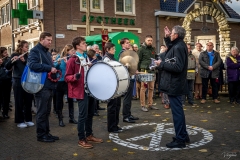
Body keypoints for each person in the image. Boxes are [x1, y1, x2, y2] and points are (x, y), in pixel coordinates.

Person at [65, 36, 103, 149]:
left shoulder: (85, 57)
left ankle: (89, 135)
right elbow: (67, 77)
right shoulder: (73, 60)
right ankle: (81, 139)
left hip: (89, 89)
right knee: (82, 115)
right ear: (77, 46)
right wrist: (74, 77)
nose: (85, 45)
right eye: (83, 43)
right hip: (81, 91)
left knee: (90, 114)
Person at [155, 25, 190, 148]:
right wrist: (166, 37)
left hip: (174, 84)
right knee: (178, 111)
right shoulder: (178, 45)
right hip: (175, 84)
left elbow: (178, 67)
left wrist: (162, 64)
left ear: (176, 35)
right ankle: (183, 135)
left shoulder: (179, 47)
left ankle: (180, 140)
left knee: (177, 113)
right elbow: (171, 48)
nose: (170, 35)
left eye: (172, 34)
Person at [28, 32, 59, 142]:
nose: (50, 42)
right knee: (41, 112)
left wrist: (54, 66)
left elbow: (48, 66)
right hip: (41, 86)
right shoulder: (35, 50)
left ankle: (46, 133)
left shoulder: (46, 52)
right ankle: (41, 135)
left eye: (51, 40)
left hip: (48, 85)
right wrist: (49, 68)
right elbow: (32, 65)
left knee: (46, 111)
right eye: (48, 40)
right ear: (41, 39)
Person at [5, 40, 34, 128]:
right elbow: (7, 66)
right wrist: (12, 61)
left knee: (28, 100)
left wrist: (24, 61)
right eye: (26, 47)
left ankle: (28, 119)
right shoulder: (14, 55)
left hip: (27, 80)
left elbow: (31, 67)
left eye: (28, 47)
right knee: (19, 101)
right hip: (18, 80)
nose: (27, 48)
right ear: (21, 47)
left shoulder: (28, 56)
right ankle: (20, 120)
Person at [54, 44, 77, 127]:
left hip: (69, 81)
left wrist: (68, 63)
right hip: (60, 81)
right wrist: (58, 63)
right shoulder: (59, 57)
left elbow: (73, 69)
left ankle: (72, 118)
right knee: (59, 101)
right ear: (67, 51)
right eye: (72, 51)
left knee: (70, 100)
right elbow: (54, 68)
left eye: (73, 51)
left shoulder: (72, 58)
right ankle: (60, 119)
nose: (73, 52)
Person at [103, 42, 123, 133]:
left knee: (117, 105)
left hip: (116, 85)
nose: (114, 50)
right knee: (112, 107)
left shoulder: (112, 58)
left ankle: (115, 124)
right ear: (107, 50)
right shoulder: (106, 59)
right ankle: (111, 127)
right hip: (110, 86)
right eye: (113, 49)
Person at [119, 38, 139, 123]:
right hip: (127, 78)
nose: (129, 44)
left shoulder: (128, 53)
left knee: (129, 97)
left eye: (129, 43)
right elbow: (122, 66)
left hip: (131, 77)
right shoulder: (122, 54)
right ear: (123, 45)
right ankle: (125, 116)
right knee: (127, 98)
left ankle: (129, 114)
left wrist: (134, 70)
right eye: (127, 43)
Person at [137, 35, 158, 112]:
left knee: (151, 88)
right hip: (144, 71)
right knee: (143, 88)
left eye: (151, 40)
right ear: (145, 40)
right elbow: (138, 61)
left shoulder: (153, 49)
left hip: (152, 71)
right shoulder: (141, 49)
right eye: (148, 40)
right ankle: (143, 105)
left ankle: (150, 104)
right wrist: (138, 70)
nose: (150, 42)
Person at [87, 49, 102, 116]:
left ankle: (96, 108)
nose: (96, 55)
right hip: (92, 79)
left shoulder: (95, 60)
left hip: (96, 78)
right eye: (94, 54)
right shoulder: (90, 60)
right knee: (93, 97)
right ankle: (94, 110)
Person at [0, 47, 12, 118]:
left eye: (6, 52)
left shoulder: (8, 59)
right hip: (1, 80)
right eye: (4, 53)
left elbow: (10, 67)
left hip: (7, 80)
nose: (6, 54)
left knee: (7, 97)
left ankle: (5, 112)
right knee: (1, 97)